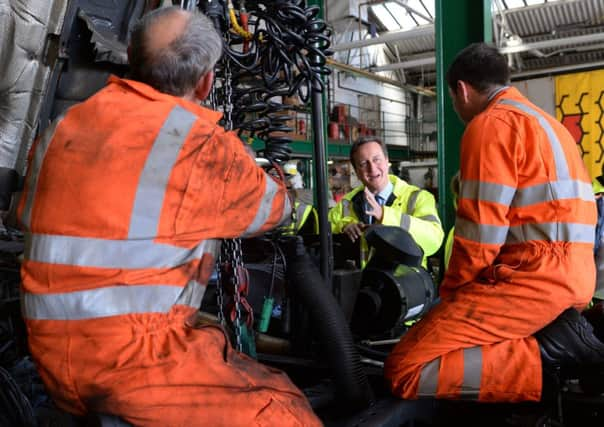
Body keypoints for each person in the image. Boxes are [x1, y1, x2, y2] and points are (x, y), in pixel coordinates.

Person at [17, 7, 320, 426]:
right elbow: (277, 209)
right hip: (134, 363)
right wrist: (261, 171)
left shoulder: (61, 125)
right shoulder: (200, 146)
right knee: (281, 408)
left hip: (50, 357)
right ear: (206, 81)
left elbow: (32, 217)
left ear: (132, 59)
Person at [385, 42, 604, 403]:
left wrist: (452, 298)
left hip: (535, 280)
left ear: (462, 90)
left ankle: (546, 362)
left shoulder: (490, 125)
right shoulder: (551, 127)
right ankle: (555, 346)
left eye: (453, 100)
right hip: (576, 280)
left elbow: (478, 234)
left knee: (405, 368)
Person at [328, 136, 444, 269]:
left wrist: (385, 215)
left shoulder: (418, 198)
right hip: (363, 285)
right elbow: (324, 230)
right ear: (357, 172)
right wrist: (344, 227)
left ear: (387, 161)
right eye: (364, 164)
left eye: (377, 160)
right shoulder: (347, 202)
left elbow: (434, 240)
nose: (372, 168)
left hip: (406, 284)